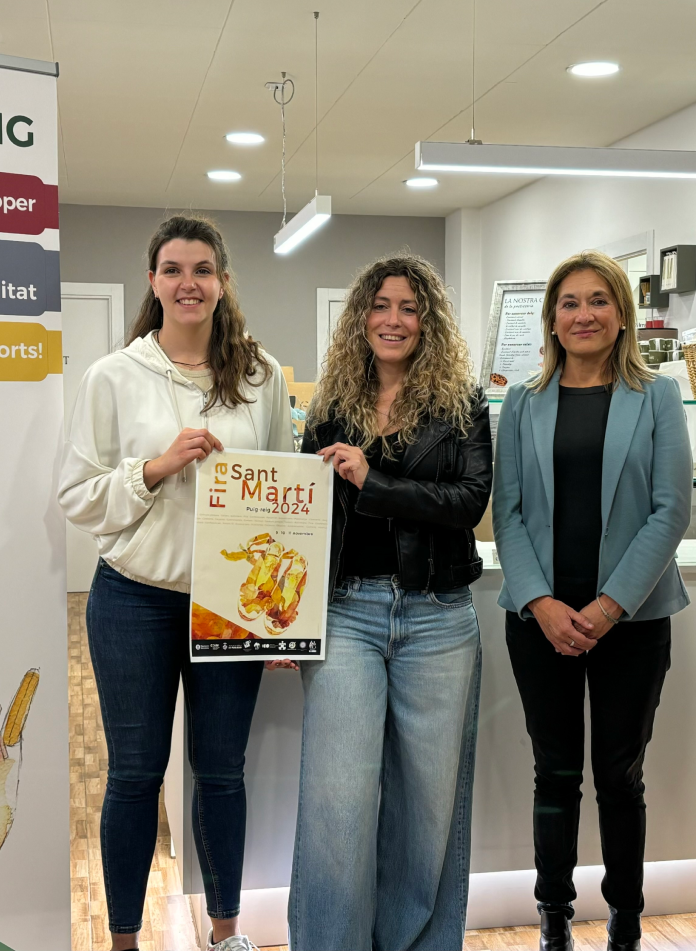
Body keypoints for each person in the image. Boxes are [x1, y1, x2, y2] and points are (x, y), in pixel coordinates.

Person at [59, 214, 293, 951]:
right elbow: (76, 495)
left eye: (202, 269)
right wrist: (154, 468)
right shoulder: (113, 376)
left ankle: (225, 935)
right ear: (152, 281)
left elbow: (287, 498)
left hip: (231, 606)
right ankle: (123, 941)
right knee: (133, 775)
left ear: (222, 282)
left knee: (222, 772)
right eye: (172, 269)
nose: (187, 282)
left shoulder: (260, 376)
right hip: (134, 597)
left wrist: (281, 618)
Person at [285, 253, 491, 951]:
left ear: (427, 320)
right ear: (360, 318)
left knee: (428, 807)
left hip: (437, 617)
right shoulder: (332, 406)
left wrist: (375, 481)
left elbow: (468, 503)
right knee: (336, 803)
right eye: (380, 305)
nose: (393, 319)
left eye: (408, 307)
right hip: (345, 613)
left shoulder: (462, 405)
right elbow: (302, 519)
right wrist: (283, 619)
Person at [492, 251, 692, 951]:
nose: (584, 314)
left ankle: (625, 921)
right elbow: (507, 512)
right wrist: (539, 601)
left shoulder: (657, 396)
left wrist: (608, 606)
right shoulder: (521, 400)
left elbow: (669, 512)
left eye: (598, 300)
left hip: (632, 620)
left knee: (619, 775)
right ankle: (552, 917)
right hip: (538, 620)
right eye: (570, 302)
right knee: (554, 772)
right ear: (551, 317)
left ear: (621, 315)